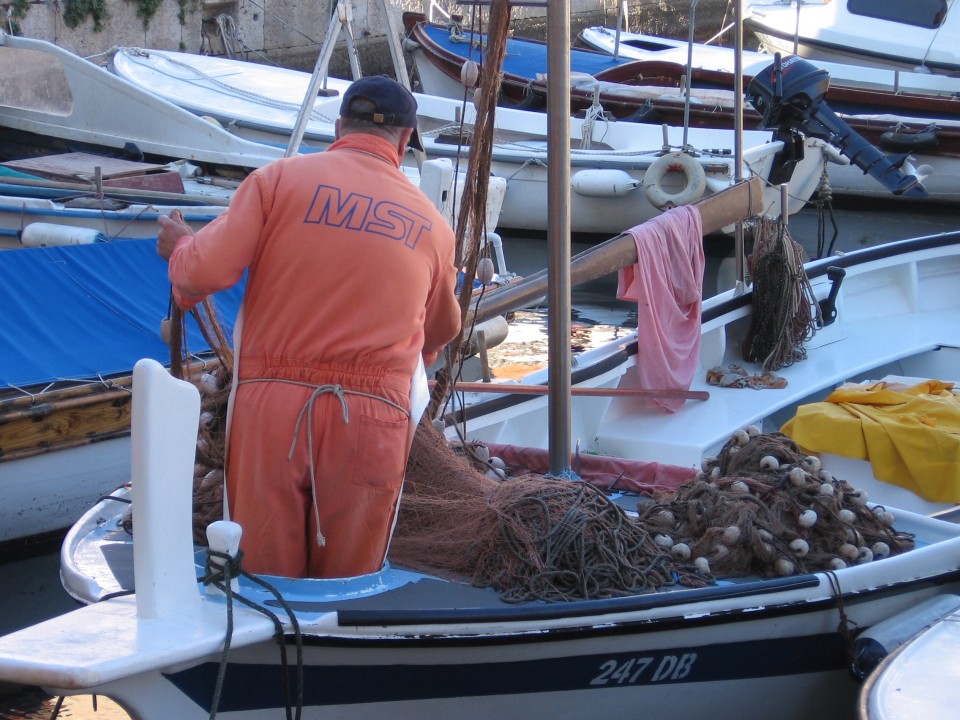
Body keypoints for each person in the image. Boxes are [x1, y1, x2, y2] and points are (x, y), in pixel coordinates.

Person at [156, 75, 462, 579]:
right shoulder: (433, 225)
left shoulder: (276, 182)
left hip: (272, 408)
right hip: (373, 418)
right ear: (405, 140)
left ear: (339, 127)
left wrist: (182, 246)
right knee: (350, 582)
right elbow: (442, 329)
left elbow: (200, 274)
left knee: (265, 581)